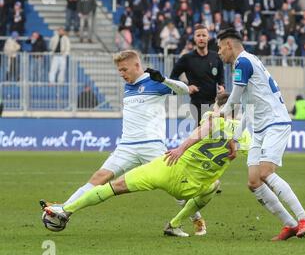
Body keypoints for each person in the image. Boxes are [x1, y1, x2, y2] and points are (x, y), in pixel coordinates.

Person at [40, 50, 207, 236]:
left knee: (176, 188)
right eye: (119, 71)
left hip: (152, 147)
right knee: (98, 178)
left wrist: (164, 79)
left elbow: (184, 90)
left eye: (124, 69)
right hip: (126, 147)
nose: (122, 74)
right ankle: (64, 209)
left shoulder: (154, 82)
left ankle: (196, 219)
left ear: (137, 66)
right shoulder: (128, 86)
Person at [42, 94, 250, 237]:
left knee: (114, 186)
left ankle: (66, 210)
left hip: (168, 169)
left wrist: (180, 148)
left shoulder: (212, 118)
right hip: (191, 187)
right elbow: (250, 154)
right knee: (214, 184)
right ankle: (175, 225)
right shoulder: (244, 136)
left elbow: (205, 128)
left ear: (218, 106)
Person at [217, 28, 305, 241]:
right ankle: (290, 225)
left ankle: (304, 218)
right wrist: (234, 137)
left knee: (264, 172)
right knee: (254, 181)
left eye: (219, 48)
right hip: (260, 128)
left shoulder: (243, 62)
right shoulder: (244, 63)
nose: (218, 53)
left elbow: (233, 99)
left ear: (228, 45)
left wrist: (218, 114)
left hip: (275, 123)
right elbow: (245, 106)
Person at [170, 24, 225, 126]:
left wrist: (222, 86)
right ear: (194, 38)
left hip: (214, 104)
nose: (201, 38)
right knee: (203, 133)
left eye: (204, 35)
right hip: (197, 104)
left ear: (208, 37)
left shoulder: (216, 57)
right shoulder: (186, 58)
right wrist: (186, 87)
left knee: (215, 135)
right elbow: (173, 77)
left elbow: (221, 78)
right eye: (198, 35)